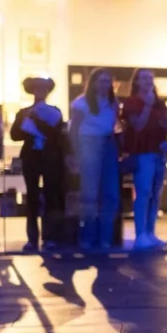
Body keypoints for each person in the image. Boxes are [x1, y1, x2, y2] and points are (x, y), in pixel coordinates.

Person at [11, 77, 67, 252]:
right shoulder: (23, 111)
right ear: (32, 90)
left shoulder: (55, 111)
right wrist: (25, 121)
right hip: (31, 158)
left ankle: (50, 237)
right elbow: (15, 135)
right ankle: (32, 238)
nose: (40, 91)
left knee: (51, 197)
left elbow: (56, 135)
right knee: (32, 198)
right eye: (37, 88)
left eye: (43, 88)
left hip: (50, 157)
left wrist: (37, 121)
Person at [121, 69, 167, 250]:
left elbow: (166, 126)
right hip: (143, 153)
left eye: (150, 78)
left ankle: (150, 233)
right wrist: (148, 106)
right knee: (143, 193)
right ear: (136, 82)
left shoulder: (159, 103)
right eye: (144, 78)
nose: (148, 81)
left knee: (155, 194)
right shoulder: (132, 103)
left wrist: (166, 140)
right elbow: (138, 126)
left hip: (159, 153)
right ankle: (140, 234)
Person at [70, 68, 121, 250]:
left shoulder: (112, 103)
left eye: (108, 81)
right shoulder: (81, 103)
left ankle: (105, 238)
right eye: (101, 81)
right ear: (92, 83)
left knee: (110, 194)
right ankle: (87, 237)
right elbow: (73, 130)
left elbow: (114, 125)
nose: (105, 85)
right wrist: (75, 154)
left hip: (108, 144)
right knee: (89, 194)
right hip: (89, 143)